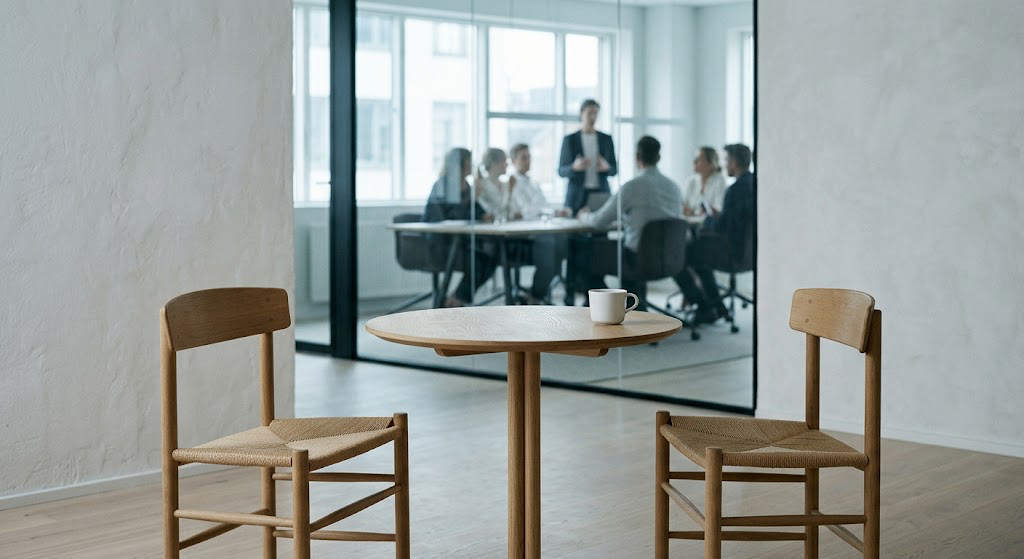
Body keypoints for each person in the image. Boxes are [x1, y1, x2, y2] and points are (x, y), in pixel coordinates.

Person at [578, 136, 681, 310]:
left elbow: (600, 221)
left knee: (585, 253)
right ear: (658, 158)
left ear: (637, 157)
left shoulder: (633, 186)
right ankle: (628, 304)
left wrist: (584, 216)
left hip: (637, 258)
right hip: (669, 257)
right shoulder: (674, 187)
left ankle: (609, 308)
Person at [674, 143, 755, 323]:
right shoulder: (755, 184)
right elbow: (733, 220)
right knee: (699, 252)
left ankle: (707, 307)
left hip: (731, 250)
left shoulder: (734, 190)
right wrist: (720, 216)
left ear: (734, 162)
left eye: (727, 160)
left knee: (683, 255)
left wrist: (709, 219)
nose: (725, 164)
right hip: (749, 252)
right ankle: (716, 306)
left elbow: (721, 227)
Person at [424, 147, 497, 307]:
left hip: (461, 242)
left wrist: (483, 215)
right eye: (469, 162)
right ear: (461, 164)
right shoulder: (443, 185)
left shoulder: (466, 185)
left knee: (492, 255)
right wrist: (472, 198)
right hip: (442, 243)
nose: (472, 166)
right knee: (479, 259)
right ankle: (456, 299)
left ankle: (457, 298)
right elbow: (449, 216)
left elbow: (474, 210)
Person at [510, 143, 565, 302]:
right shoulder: (512, 183)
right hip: (525, 236)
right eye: (524, 157)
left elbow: (542, 207)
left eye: (529, 157)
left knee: (563, 242)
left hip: (541, 228)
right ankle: (536, 295)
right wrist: (542, 209)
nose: (528, 161)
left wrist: (552, 211)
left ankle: (537, 292)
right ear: (514, 160)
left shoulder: (533, 183)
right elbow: (525, 211)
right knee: (549, 245)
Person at [558, 99, 618, 215]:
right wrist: (574, 168)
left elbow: (614, 170)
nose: (593, 117)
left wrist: (607, 168)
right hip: (576, 196)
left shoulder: (606, 139)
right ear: (581, 114)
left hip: (600, 193)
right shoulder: (570, 140)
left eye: (596, 113)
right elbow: (561, 171)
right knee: (573, 231)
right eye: (589, 113)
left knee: (600, 230)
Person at [681, 147, 727, 216]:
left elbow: (719, 208)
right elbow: (683, 204)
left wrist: (695, 212)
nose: (694, 162)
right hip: (691, 223)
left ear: (711, 163)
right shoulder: (691, 181)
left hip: (709, 224)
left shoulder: (719, 180)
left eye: (698, 159)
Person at [476, 147, 518, 222]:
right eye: (504, 161)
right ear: (494, 163)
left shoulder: (505, 185)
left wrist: (510, 191)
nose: (507, 164)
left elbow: (511, 212)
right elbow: (489, 211)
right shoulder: (481, 185)